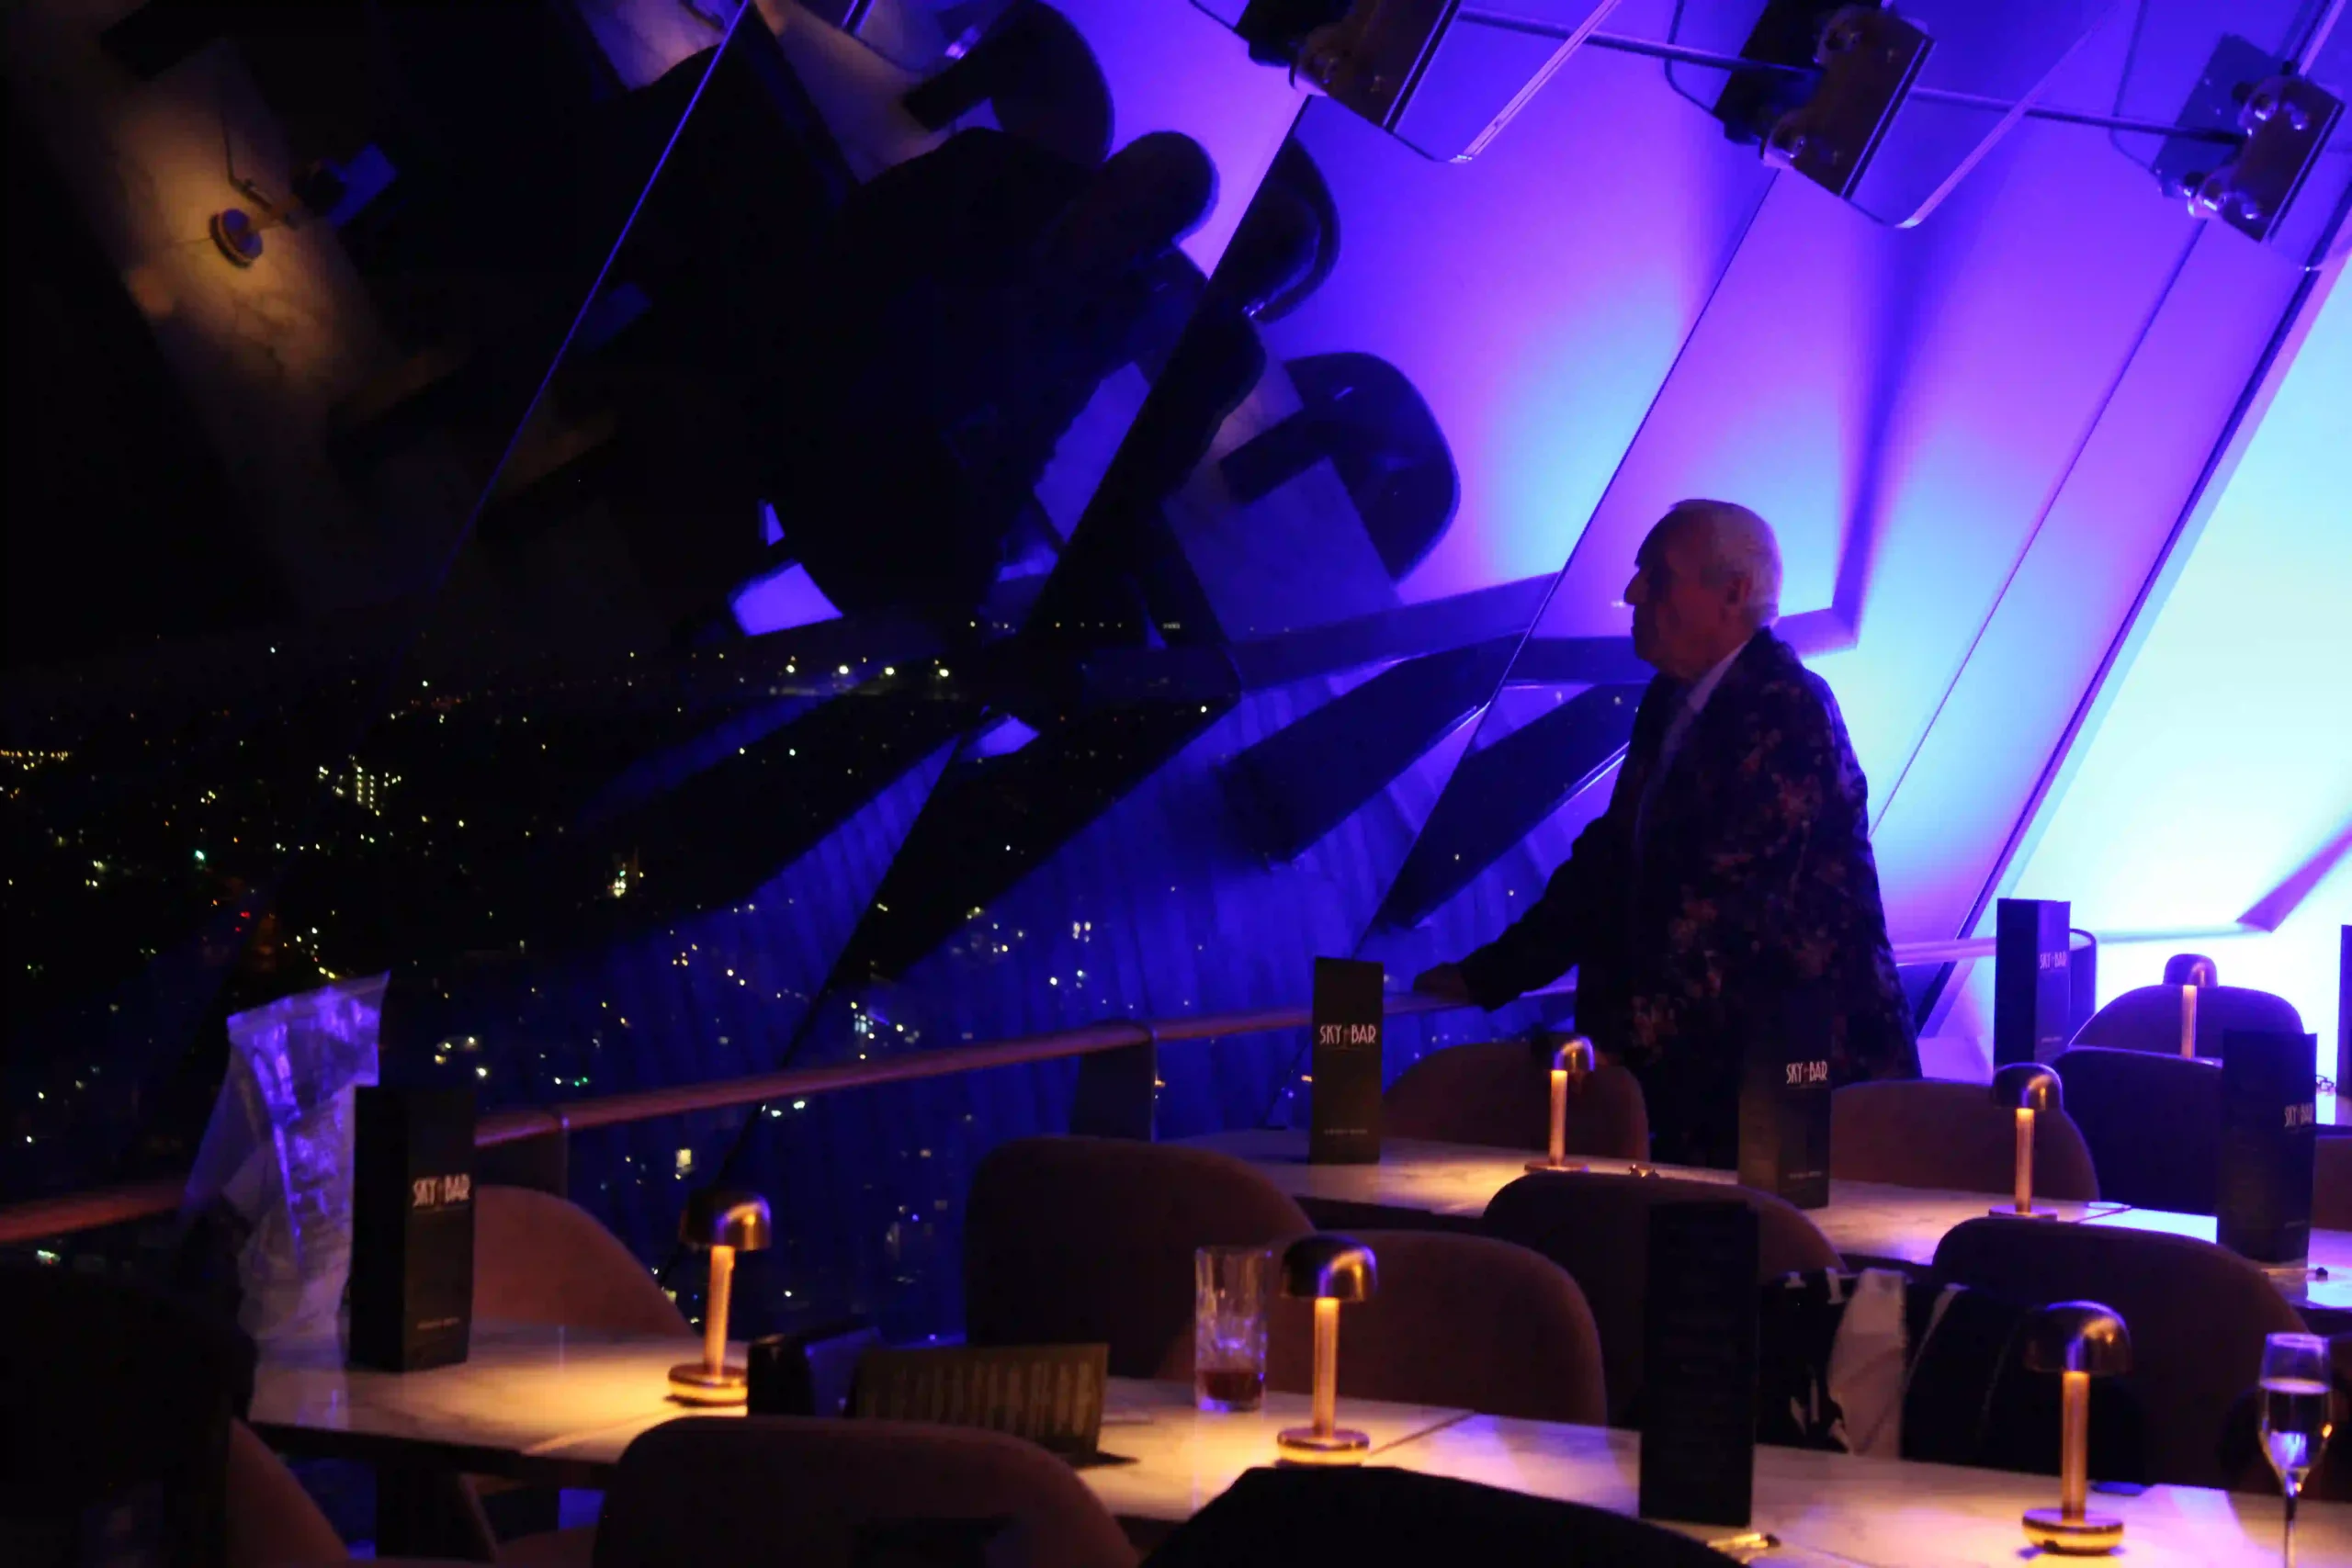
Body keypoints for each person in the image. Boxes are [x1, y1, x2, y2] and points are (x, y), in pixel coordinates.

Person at [1415, 501, 1917, 1167]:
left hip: (1793, 1100)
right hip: (1722, 1086)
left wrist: (1619, 1045)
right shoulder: (1671, 701)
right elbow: (1613, 863)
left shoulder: (1787, 709)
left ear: (1733, 593)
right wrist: (1489, 975)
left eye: (1655, 575)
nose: (1631, 594)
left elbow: (1731, 911)